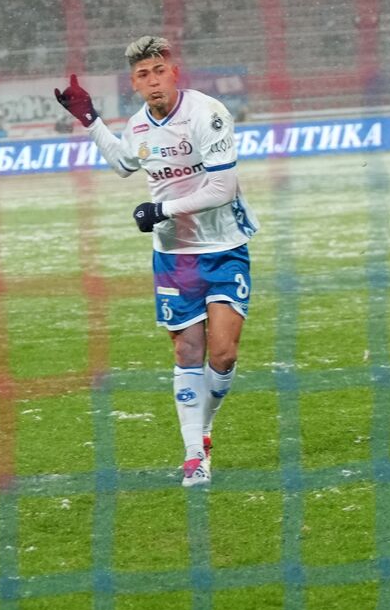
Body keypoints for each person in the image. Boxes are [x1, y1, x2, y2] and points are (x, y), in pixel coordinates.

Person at [54, 36, 258, 487]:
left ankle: (204, 428)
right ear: (135, 83)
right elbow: (124, 164)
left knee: (223, 355)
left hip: (224, 246)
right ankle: (193, 456)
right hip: (174, 256)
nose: (153, 81)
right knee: (187, 350)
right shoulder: (140, 125)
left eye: (159, 71)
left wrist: (160, 210)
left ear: (173, 72)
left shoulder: (208, 114)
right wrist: (89, 120)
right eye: (143, 75)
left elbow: (222, 189)